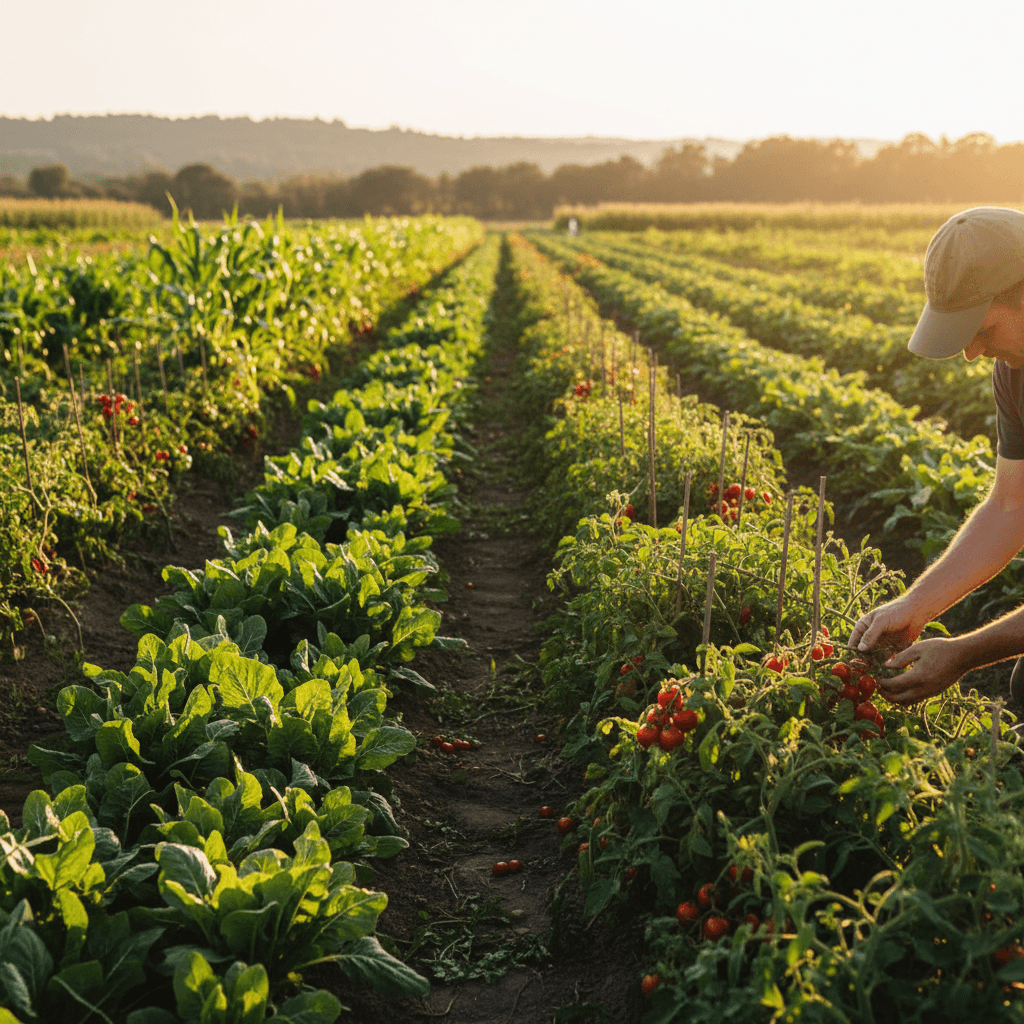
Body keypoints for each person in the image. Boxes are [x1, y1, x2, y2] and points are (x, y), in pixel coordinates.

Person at [849, 206, 1024, 706]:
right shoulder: (1016, 370)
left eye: (982, 330)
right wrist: (916, 605)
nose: (972, 353)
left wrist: (966, 653)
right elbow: (1012, 506)